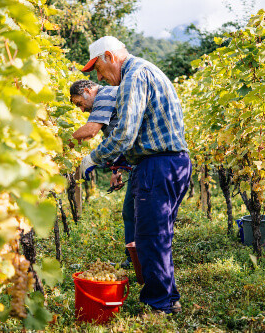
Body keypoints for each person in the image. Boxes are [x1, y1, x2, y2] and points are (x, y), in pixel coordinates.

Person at [78, 36, 192, 314]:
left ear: (109, 56)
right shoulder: (146, 69)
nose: (99, 76)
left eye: (98, 69)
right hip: (173, 163)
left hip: (157, 165)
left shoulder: (134, 75)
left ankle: (160, 305)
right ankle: (168, 298)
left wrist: (92, 159)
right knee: (159, 235)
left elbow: (125, 134)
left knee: (150, 237)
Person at [69, 79, 135, 269]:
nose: (81, 110)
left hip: (148, 161)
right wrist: (117, 169)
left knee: (135, 212)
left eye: (79, 103)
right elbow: (116, 136)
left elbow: (90, 131)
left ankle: (140, 262)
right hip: (137, 160)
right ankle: (134, 260)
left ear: (88, 91)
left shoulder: (104, 95)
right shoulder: (108, 99)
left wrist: (62, 143)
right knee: (131, 212)